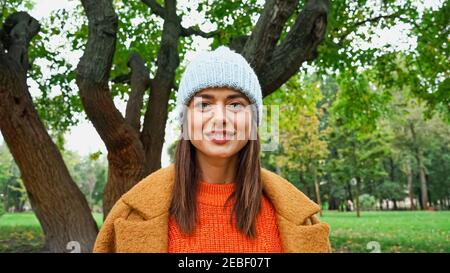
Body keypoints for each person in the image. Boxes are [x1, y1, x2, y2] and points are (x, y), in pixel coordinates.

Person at [93, 46, 331, 253]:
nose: (220, 118)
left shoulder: (300, 219)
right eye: (204, 104)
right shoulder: (128, 215)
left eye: (235, 104)